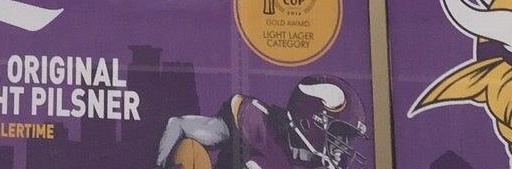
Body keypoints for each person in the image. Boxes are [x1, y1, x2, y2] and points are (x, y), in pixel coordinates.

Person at [156, 77, 368, 169]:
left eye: (346, 138)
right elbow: (177, 124)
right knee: (191, 152)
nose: (342, 146)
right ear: (308, 122)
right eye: (338, 134)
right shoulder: (256, 123)